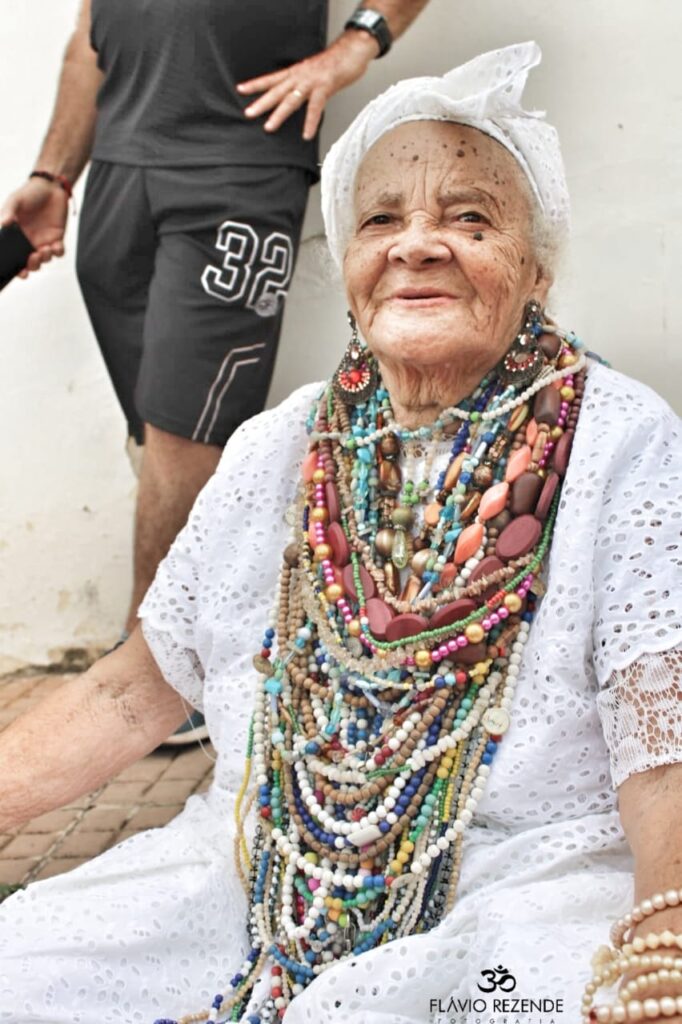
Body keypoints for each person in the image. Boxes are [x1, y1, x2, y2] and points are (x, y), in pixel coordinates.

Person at [1, 40, 681, 1024]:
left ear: (536, 269)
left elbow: (662, 727)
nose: (416, 244)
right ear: (351, 265)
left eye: (470, 218)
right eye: (380, 220)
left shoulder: (620, 440)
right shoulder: (278, 445)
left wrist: (665, 930)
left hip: (515, 879)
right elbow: (133, 690)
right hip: (255, 873)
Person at [0, 0, 430, 742]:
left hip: (235, 166)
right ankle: (206, 642)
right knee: (156, 421)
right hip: (118, 172)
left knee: (185, 425)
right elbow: (88, 41)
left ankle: (156, 675)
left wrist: (358, 43)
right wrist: (55, 176)